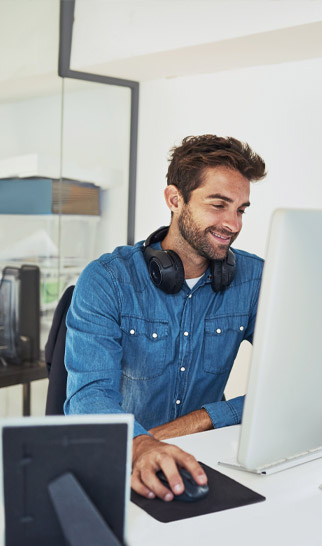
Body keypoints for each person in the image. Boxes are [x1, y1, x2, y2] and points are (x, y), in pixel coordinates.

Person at [64, 134, 267, 501]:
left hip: (208, 459)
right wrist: (141, 443)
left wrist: (199, 421)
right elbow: (87, 396)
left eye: (240, 209)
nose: (233, 224)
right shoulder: (108, 279)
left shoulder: (255, 279)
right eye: (219, 205)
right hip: (122, 462)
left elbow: (287, 387)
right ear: (175, 200)